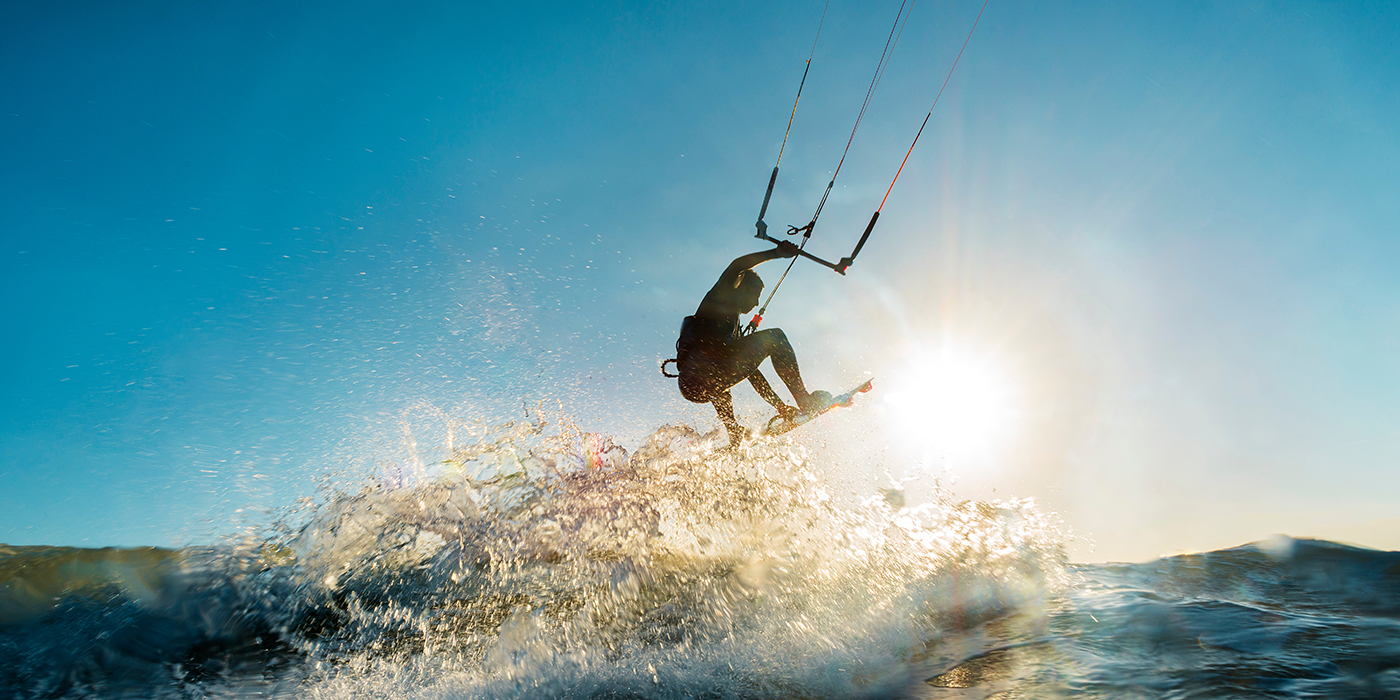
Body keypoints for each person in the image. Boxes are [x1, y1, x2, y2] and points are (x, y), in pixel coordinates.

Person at [673, 241, 830, 446]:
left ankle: (734, 432)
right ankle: (804, 399)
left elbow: (751, 373)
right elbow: (738, 266)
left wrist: (779, 406)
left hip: (692, 385)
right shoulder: (722, 295)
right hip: (707, 367)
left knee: (720, 388)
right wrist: (776, 253)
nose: (757, 303)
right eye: (755, 295)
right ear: (740, 287)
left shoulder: (731, 332)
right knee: (776, 337)